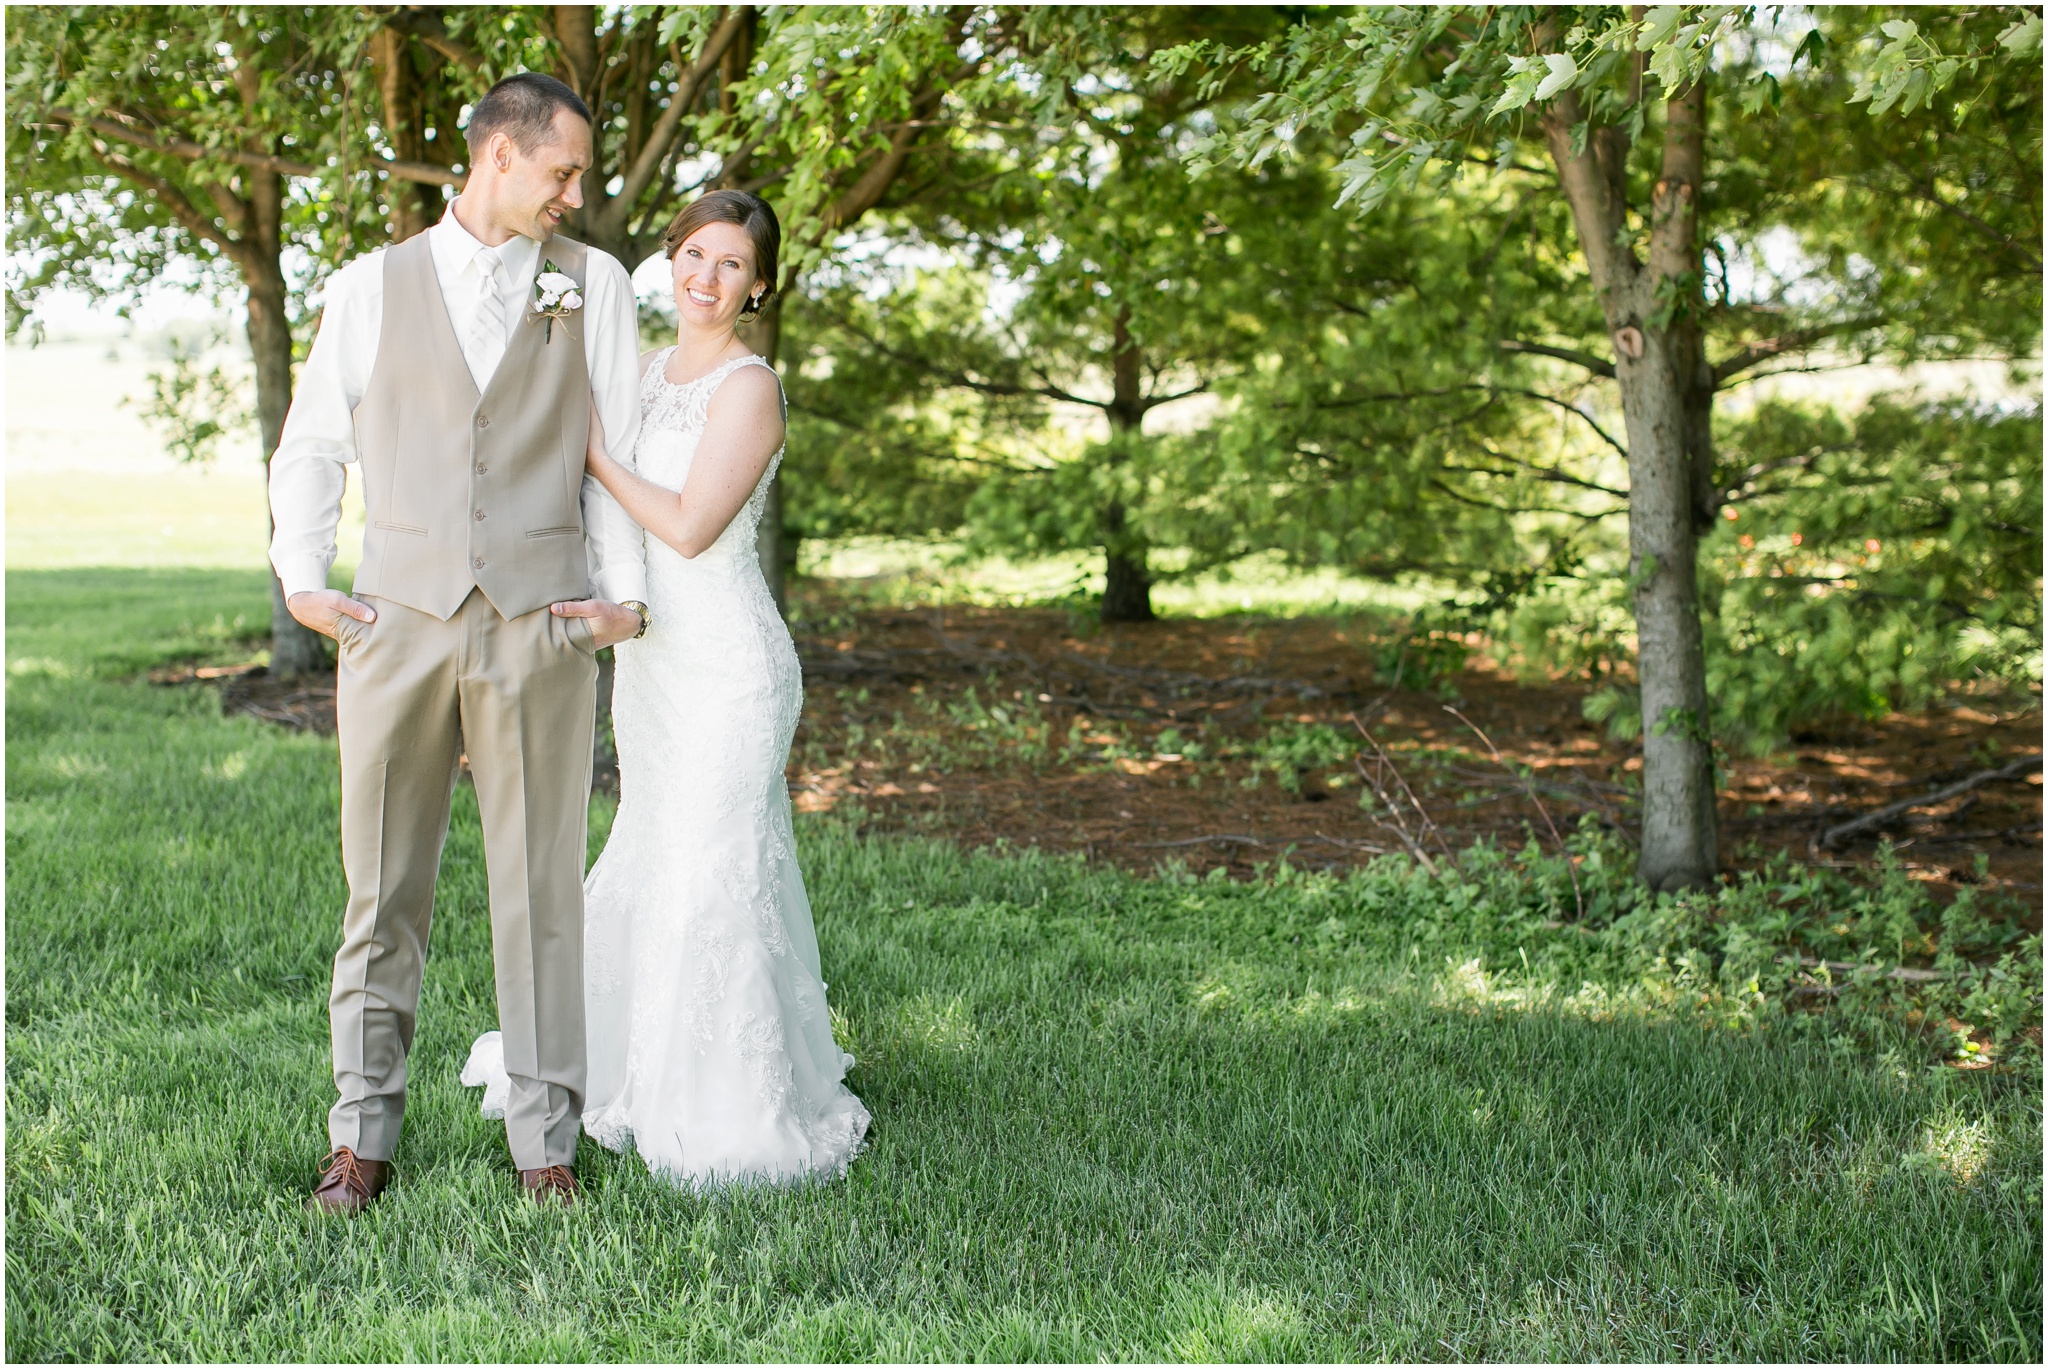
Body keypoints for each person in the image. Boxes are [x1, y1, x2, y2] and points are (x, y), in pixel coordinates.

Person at [270, 72, 650, 1211]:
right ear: (496, 156)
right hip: (398, 621)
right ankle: (360, 1135)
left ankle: (546, 1145)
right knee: (380, 890)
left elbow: (616, 455)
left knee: (540, 891)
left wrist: (613, 603)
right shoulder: (371, 285)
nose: (575, 194)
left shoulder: (597, 287)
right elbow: (311, 445)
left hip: (539, 623)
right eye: (563, 171)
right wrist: (302, 577)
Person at [462, 189, 870, 1185]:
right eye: (692, 253)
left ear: (759, 284)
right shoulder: (642, 371)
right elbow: (595, 505)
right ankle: (620, 1068)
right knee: (652, 852)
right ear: (669, 262)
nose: (705, 276)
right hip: (651, 668)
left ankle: (728, 1105)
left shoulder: (751, 388)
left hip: (730, 667)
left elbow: (686, 524)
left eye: (731, 263)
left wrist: (597, 449)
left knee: (712, 870)